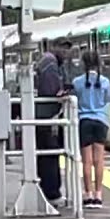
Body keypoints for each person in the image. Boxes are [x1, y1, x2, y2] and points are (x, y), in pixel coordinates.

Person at [71, 50, 110, 208]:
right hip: (101, 121)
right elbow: (108, 98)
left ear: (83, 64)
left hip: (84, 121)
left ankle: (88, 194)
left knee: (87, 161)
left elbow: (74, 97)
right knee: (99, 160)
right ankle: (99, 194)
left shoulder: (77, 82)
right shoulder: (105, 81)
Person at [34, 38, 73, 205]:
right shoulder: (50, 64)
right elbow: (52, 91)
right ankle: (52, 193)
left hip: (42, 117)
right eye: (63, 48)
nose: (65, 53)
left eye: (67, 49)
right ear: (54, 47)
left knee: (46, 156)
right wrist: (62, 94)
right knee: (50, 155)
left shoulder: (47, 61)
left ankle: (49, 192)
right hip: (46, 117)